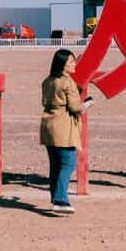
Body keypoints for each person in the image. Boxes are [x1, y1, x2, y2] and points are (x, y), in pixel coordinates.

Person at [39, 49, 92, 214]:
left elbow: (45, 101)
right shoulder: (68, 82)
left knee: (55, 165)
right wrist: (89, 104)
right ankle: (61, 199)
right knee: (68, 163)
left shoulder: (47, 81)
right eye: (71, 62)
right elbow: (76, 108)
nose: (74, 64)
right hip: (63, 127)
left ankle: (55, 197)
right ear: (62, 64)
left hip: (48, 126)